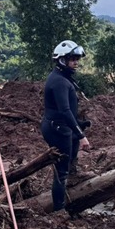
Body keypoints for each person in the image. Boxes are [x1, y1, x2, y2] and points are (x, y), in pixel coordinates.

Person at [41, 40, 91, 211]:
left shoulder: (62, 77)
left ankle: (71, 189)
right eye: (72, 59)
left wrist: (79, 126)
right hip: (57, 129)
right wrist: (81, 135)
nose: (76, 62)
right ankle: (59, 211)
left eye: (77, 59)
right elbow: (64, 110)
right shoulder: (60, 81)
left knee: (69, 163)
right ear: (62, 60)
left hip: (62, 127)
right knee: (61, 172)